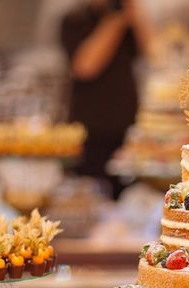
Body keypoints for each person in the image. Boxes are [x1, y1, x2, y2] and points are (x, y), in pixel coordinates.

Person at [60, 0, 149, 199]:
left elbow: (155, 54)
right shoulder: (75, 19)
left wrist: (135, 16)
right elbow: (85, 66)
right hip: (90, 131)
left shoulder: (128, 20)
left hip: (125, 127)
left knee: (125, 197)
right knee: (91, 196)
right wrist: (115, 22)